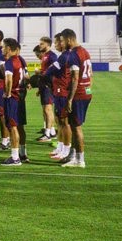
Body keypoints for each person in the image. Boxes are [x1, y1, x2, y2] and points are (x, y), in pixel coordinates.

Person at [60, 28, 92, 168]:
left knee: (76, 127)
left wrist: (70, 99)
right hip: (86, 92)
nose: (61, 43)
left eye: (62, 40)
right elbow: (90, 74)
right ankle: (73, 155)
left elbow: (74, 78)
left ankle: (80, 160)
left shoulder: (74, 54)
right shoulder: (84, 51)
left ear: (69, 40)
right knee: (74, 126)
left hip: (78, 95)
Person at [1, 38, 29, 166]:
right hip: (21, 96)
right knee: (20, 126)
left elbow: (8, 80)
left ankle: (15, 157)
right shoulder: (21, 60)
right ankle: (23, 154)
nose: (2, 49)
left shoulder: (10, 62)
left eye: (3, 47)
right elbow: (27, 78)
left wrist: (7, 94)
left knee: (12, 126)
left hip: (12, 97)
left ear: (8, 48)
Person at [46, 33, 72, 161]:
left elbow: (50, 71)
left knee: (64, 122)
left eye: (57, 42)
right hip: (58, 92)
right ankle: (61, 147)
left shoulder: (65, 57)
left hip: (63, 92)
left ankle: (66, 150)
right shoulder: (62, 56)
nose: (56, 45)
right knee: (59, 121)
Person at [34, 37, 58, 142]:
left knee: (48, 109)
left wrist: (40, 73)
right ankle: (51, 132)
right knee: (45, 109)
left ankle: (47, 134)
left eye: (42, 44)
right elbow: (46, 70)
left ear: (48, 45)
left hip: (48, 86)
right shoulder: (46, 56)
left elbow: (55, 71)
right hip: (44, 86)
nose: (40, 46)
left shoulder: (52, 56)